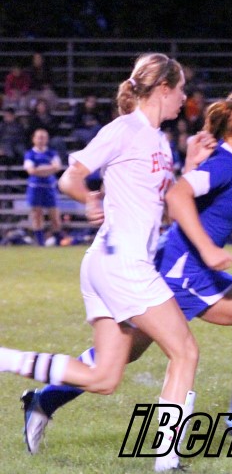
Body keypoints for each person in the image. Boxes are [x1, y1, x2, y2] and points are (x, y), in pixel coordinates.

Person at [20, 90, 232, 450]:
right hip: (184, 272)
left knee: (124, 352)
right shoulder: (223, 164)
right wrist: (207, 248)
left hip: (187, 269)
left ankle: (43, 401)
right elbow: (177, 195)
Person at [2, 53, 203, 472]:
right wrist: (89, 197)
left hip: (110, 262)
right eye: (181, 89)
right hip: (122, 263)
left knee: (105, 377)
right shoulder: (125, 129)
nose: (185, 98)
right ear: (163, 88)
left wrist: (192, 167)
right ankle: (167, 460)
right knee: (184, 350)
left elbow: (163, 203)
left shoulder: (159, 141)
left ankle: (7, 362)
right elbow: (70, 177)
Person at [23, 128, 63, 246]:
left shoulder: (52, 153)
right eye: (39, 137)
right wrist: (49, 168)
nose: (41, 140)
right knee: (37, 215)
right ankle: (40, 243)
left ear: (47, 140)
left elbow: (57, 167)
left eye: (43, 138)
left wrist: (39, 169)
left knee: (54, 215)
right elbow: (31, 171)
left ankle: (58, 242)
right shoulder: (30, 154)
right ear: (34, 139)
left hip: (50, 187)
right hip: (35, 187)